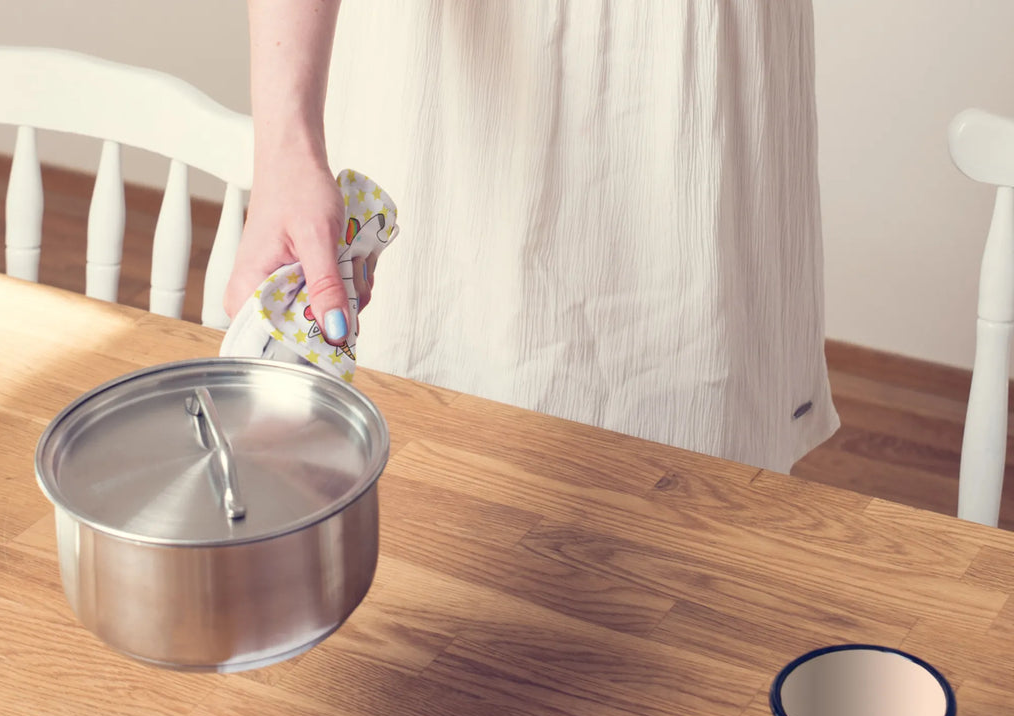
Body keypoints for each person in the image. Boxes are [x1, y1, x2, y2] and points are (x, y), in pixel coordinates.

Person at [225, 0, 839, 473]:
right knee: (414, 467)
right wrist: (284, 154)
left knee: (698, 482)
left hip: (694, 70)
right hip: (449, 80)